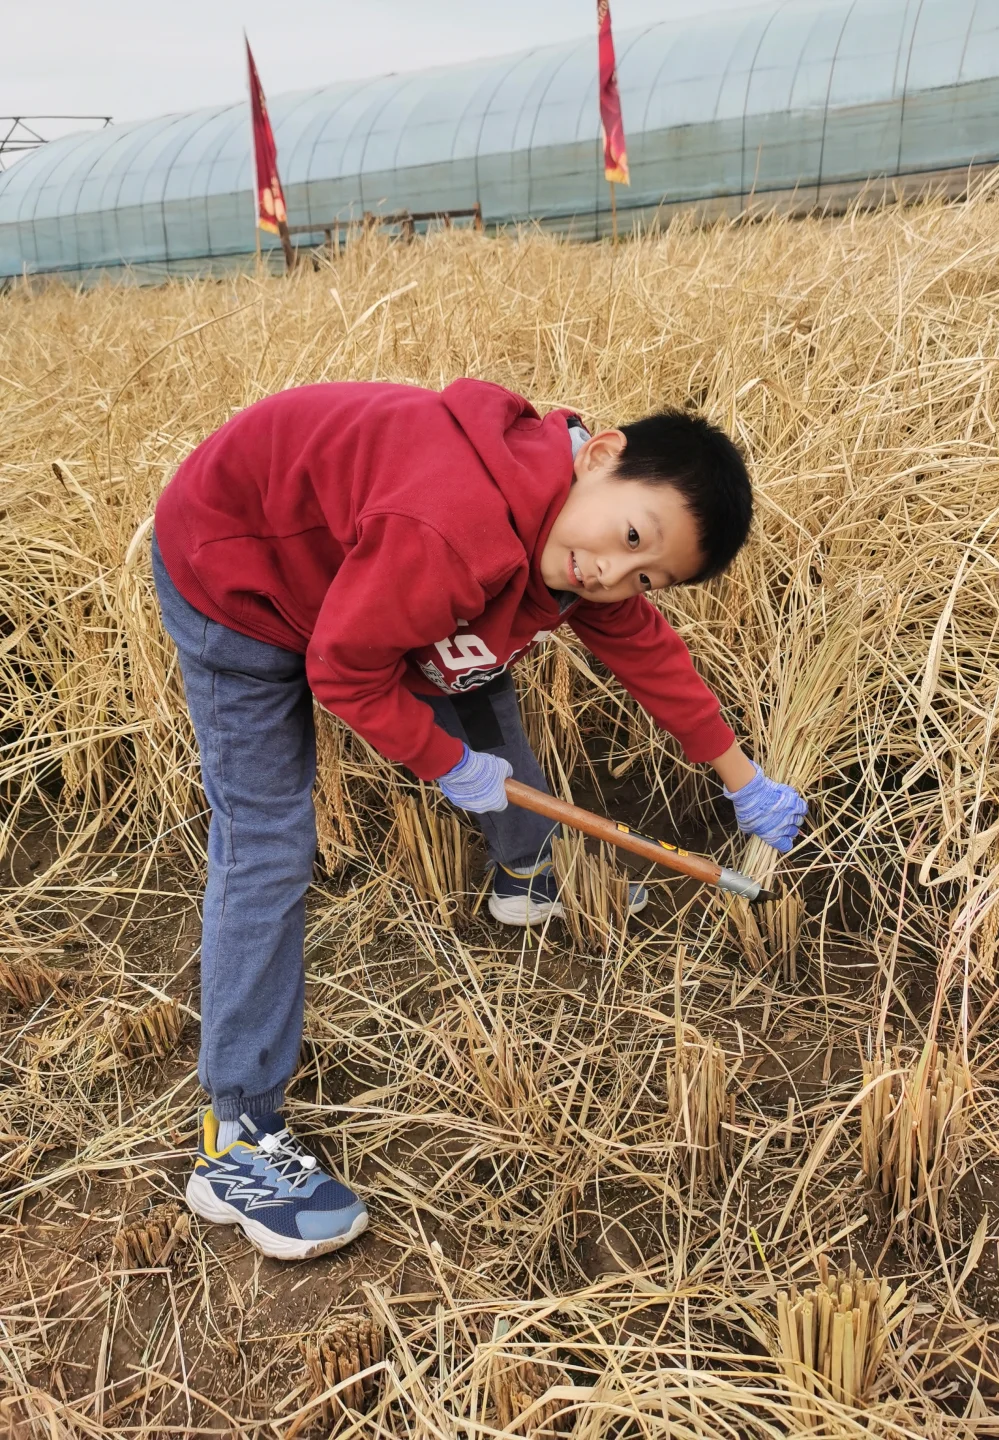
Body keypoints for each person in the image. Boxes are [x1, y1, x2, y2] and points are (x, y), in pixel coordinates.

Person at [151, 378, 807, 1260]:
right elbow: (344, 673)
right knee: (267, 841)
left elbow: (645, 647)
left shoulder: (566, 531)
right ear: (601, 454)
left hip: (367, 573)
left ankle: (526, 878)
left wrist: (742, 780)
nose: (613, 575)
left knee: (472, 664)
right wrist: (446, 763)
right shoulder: (452, 528)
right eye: (631, 539)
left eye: (646, 575)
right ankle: (234, 1138)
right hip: (239, 577)